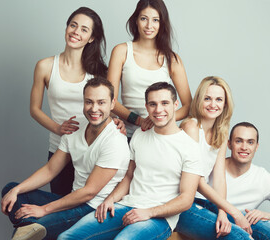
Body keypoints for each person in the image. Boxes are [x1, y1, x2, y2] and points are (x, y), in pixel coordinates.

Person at [58, 82, 203, 240]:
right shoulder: (140, 134)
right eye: (153, 104)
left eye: (165, 103)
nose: (158, 110)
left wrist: (149, 212)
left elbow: (186, 199)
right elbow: (128, 176)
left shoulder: (190, 147)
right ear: (146, 107)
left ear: (175, 105)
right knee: (67, 237)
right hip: (126, 205)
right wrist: (110, 199)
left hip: (159, 217)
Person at [1, 77, 130, 240]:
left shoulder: (115, 141)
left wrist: (44, 210)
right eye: (89, 102)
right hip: (73, 200)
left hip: (94, 209)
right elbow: (50, 170)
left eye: (101, 102)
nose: (94, 108)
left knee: (28, 233)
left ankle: (35, 226)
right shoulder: (75, 128)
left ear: (112, 104)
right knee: (11, 191)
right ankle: (34, 226)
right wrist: (17, 190)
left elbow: (89, 192)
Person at [29, 7, 108, 196]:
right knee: (59, 206)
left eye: (84, 29)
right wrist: (57, 128)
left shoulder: (98, 71)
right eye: (73, 25)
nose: (76, 32)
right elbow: (34, 109)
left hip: (92, 148)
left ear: (91, 38)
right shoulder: (45, 66)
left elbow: (106, 108)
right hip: (59, 148)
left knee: (85, 209)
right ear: (66, 28)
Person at [175, 77, 252, 239]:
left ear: (225, 104)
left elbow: (219, 178)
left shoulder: (222, 134)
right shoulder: (191, 126)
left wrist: (222, 212)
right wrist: (234, 212)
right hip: (181, 203)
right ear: (199, 101)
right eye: (207, 98)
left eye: (218, 99)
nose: (213, 104)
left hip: (202, 201)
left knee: (259, 230)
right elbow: (197, 181)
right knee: (240, 237)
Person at [107, 0, 192, 139]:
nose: (149, 25)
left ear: (162, 23)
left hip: (160, 135)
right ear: (136, 20)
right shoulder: (121, 51)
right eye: (144, 19)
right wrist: (139, 120)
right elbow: (110, 99)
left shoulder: (172, 59)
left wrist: (159, 119)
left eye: (155, 20)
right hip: (126, 134)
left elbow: (189, 106)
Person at [224, 122, 269, 239]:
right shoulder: (213, 168)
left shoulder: (262, 177)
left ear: (256, 146)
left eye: (250, 142)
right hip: (215, 224)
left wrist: (266, 215)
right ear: (229, 144)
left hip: (247, 229)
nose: (244, 147)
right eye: (238, 141)